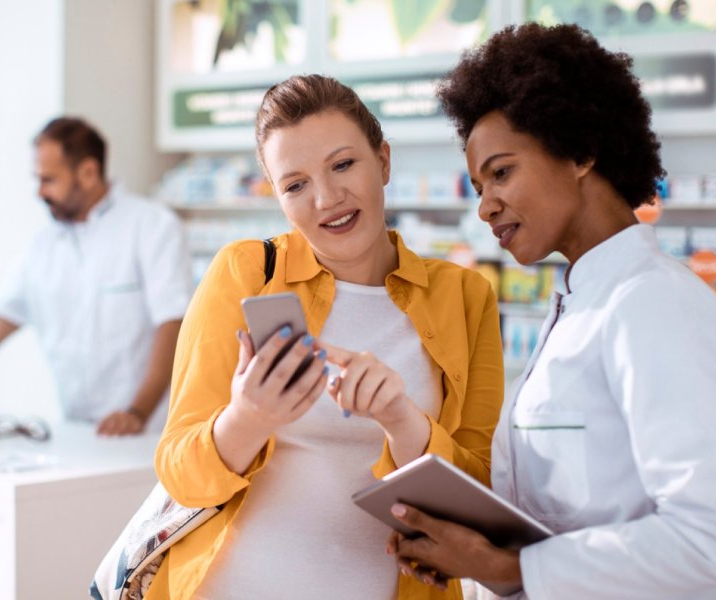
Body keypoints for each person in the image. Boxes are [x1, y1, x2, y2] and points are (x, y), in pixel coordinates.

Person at [387, 22, 716, 599]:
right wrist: (475, 555)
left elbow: (710, 541)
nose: (486, 206)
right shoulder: (579, 304)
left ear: (580, 151)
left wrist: (511, 569)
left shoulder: (654, 301)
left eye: (501, 172)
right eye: (477, 185)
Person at [149, 74, 505, 600]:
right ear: (278, 196)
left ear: (383, 161)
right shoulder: (244, 273)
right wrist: (248, 419)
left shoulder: (465, 296)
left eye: (343, 165)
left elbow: (481, 497)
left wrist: (404, 423)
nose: (327, 198)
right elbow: (180, 473)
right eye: (295, 184)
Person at [0, 117, 193, 436]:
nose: (39, 192)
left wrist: (137, 411)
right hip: (78, 430)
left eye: (49, 179)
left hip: (148, 429)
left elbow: (173, 324)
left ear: (88, 172)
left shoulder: (152, 226)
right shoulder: (43, 245)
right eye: (37, 179)